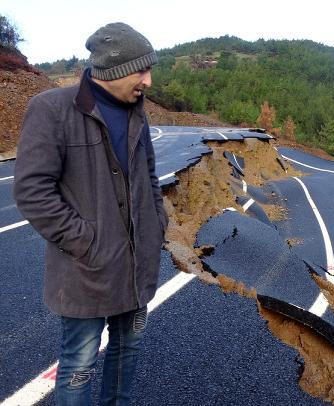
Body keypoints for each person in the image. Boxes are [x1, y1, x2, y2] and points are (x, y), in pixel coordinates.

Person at [13, 22, 167, 405]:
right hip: (86, 273)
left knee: (126, 355)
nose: (148, 81)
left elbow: (149, 176)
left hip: (136, 269)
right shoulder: (51, 109)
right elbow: (32, 191)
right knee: (79, 366)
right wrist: (86, 242)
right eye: (141, 70)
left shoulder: (137, 113)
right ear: (113, 70)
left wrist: (156, 225)